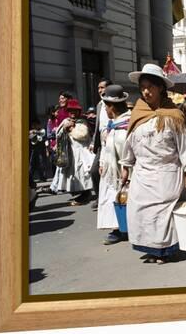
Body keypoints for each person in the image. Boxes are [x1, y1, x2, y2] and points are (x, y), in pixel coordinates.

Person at [120, 63, 186, 264]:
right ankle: (150, 248)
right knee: (140, 211)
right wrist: (125, 165)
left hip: (166, 172)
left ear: (161, 88)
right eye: (143, 87)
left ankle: (165, 251)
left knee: (162, 213)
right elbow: (130, 142)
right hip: (142, 174)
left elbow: (184, 145)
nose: (146, 91)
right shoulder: (137, 114)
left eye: (150, 87)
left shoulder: (173, 115)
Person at [97, 85, 131, 245]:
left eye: (106, 106)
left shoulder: (126, 123)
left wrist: (126, 170)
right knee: (113, 199)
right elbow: (107, 145)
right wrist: (103, 162)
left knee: (123, 199)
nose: (105, 110)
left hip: (123, 171)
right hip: (111, 171)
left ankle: (123, 229)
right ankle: (117, 228)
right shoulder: (114, 123)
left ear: (112, 107)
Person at [54, 98, 95, 205]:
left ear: (78, 111)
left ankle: (86, 194)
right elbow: (58, 134)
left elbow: (83, 135)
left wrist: (71, 130)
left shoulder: (82, 122)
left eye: (74, 110)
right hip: (69, 152)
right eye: (70, 110)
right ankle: (81, 193)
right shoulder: (65, 121)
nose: (72, 113)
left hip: (82, 152)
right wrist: (64, 129)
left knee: (82, 173)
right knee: (74, 174)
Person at [89, 78, 113, 208]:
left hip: (114, 142)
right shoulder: (99, 105)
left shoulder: (116, 102)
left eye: (102, 87)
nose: (100, 90)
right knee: (94, 171)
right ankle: (99, 197)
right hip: (102, 146)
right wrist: (94, 142)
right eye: (99, 88)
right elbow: (98, 126)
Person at [29, 119, 47, 185]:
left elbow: (42, 134)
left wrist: (35, 132)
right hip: (33, 149)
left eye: (35, 125)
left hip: (40, 149)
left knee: (41, 163)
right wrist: (32, 133)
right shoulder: (31, 131)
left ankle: (42, 177)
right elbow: (30, 137)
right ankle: (30, 177)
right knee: (32, 163)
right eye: (33, 125)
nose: (34, 126)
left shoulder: (42, 130)